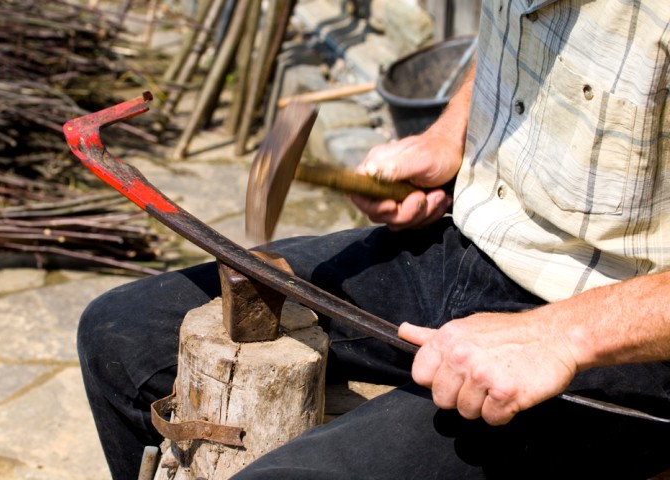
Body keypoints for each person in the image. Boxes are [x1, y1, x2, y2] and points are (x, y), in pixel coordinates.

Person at [78, 0, 670, 478]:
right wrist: (451, 135)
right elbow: (514, 26)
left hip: (617, 329)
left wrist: (560, 334)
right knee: (120, 338)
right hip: (470, 241)